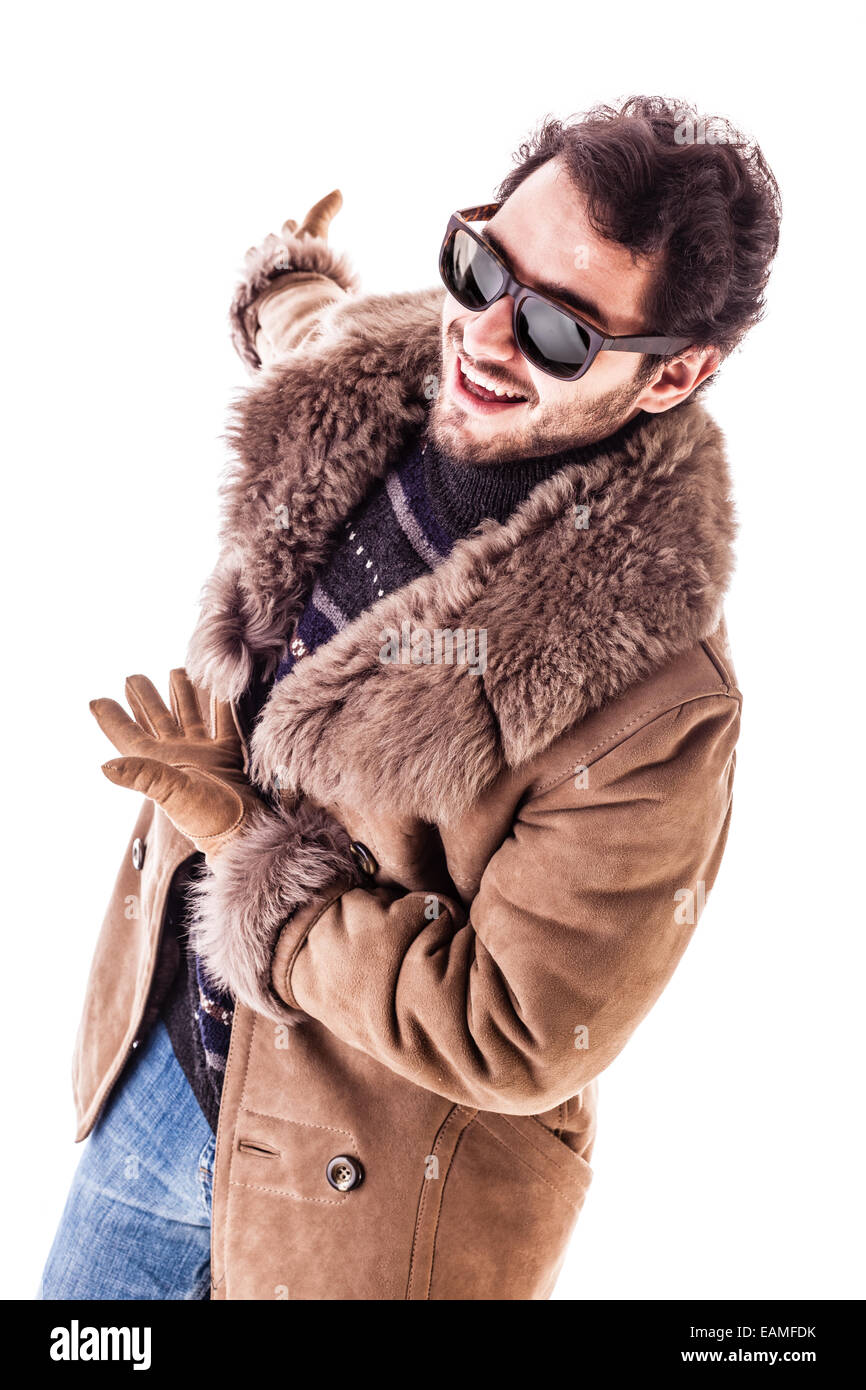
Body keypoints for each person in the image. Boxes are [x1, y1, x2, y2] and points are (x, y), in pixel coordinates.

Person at [41, 95, 781, 1301]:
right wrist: (281, 270)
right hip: (160, 1078)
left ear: (677, 372)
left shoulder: (659, 708)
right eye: (478, 263)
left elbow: (512, 1030)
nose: (482, 339)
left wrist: (247, 850)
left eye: (557, 332)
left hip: (370, 1208)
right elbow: (309, 330)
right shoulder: (382, 366)